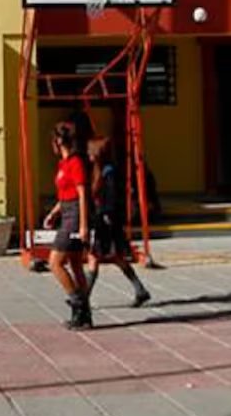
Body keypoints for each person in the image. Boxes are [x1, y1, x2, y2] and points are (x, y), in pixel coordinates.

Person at [85, 137, 151, 308]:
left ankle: (83, 298)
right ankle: (140, 289)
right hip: (105, 221)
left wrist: (105, 215)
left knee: (95, 257)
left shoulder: (108, 173)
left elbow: (111, 199)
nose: (87, 154)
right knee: (116, 257)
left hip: (107, 222)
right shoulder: (99, 171)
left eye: (90, 151)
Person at [42, 124, 92, 329]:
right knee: (76, 265)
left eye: (53, 141)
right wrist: (53, 214)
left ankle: (78, 304)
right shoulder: (62, 164)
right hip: (66, 212)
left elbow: (82, 194)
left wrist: (83, 226)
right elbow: (64, 195)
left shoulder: (75, 162)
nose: (51, 146)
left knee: (54, 262)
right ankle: (84, 316)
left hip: (75, 216)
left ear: (59, 141)